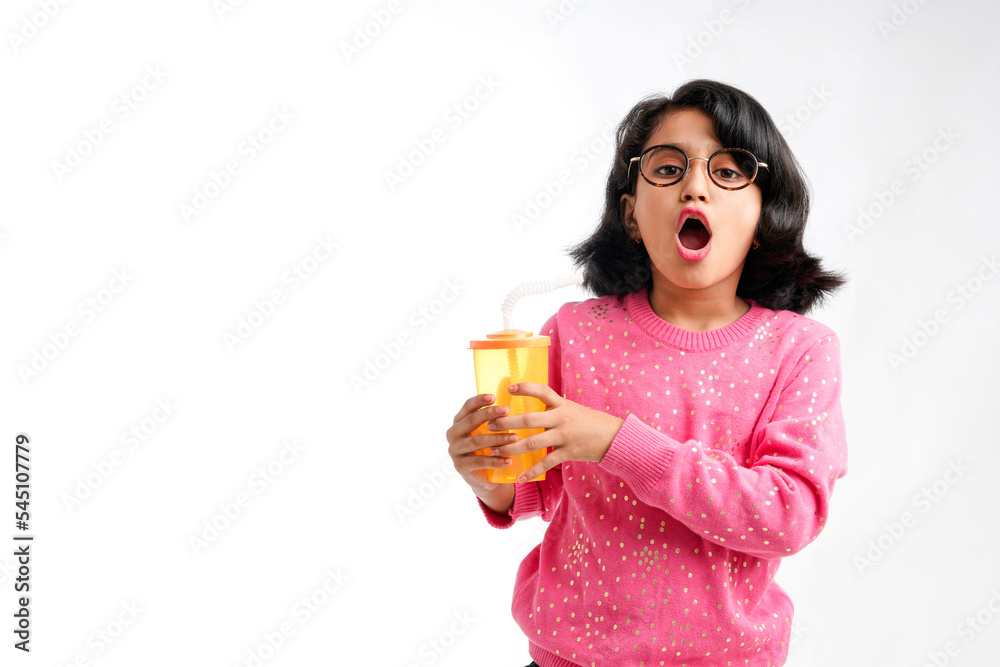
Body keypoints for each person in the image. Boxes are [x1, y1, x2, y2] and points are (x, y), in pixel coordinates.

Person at [445, 79, 847, 667]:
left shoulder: (798, 349)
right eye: (666, 168)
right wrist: (489, 473)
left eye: (729, 172)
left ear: (764, 216)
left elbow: (788, 514)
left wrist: (618, 443)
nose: (695, 186)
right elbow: (538, 487)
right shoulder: (573, 332)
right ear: (631, 213)